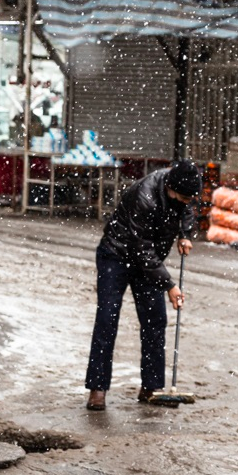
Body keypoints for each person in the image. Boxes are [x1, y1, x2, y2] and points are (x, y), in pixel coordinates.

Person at [85, 160, 202, 411]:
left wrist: (185, 234)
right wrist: (170, 285)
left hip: (147, 261)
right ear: (170, 187)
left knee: (155, 319)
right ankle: (98, 388)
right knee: (107, 318)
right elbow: (143, 251)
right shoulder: (145, 196)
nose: (185, 201)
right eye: (181, 197)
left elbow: (186, 210)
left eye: (189, 197)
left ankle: (151, 387)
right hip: (116, 256)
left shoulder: (181, 194)